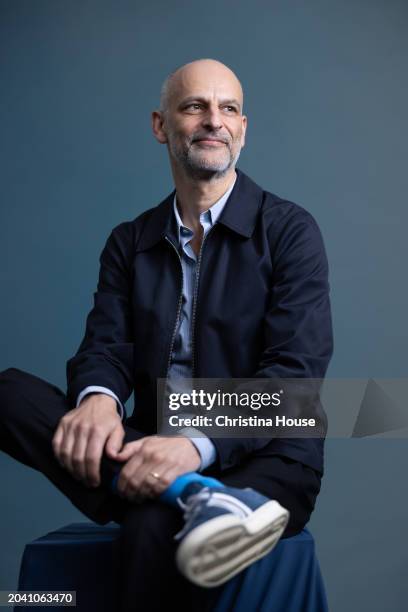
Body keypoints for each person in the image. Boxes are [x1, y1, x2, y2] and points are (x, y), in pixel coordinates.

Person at [0, 58, 333, 611]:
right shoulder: (129, 241)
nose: (213, 120)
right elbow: (105, 345)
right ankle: (196, 496)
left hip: (269, 459)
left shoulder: (290, 232)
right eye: (194, 106)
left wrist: (193, 446)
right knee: (9, 393)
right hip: (147, 443)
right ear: (161, 125)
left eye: (228, 108)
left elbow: (294, 385)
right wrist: (101, 402)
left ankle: (199, 490)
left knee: (154, 527)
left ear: (243, 130)